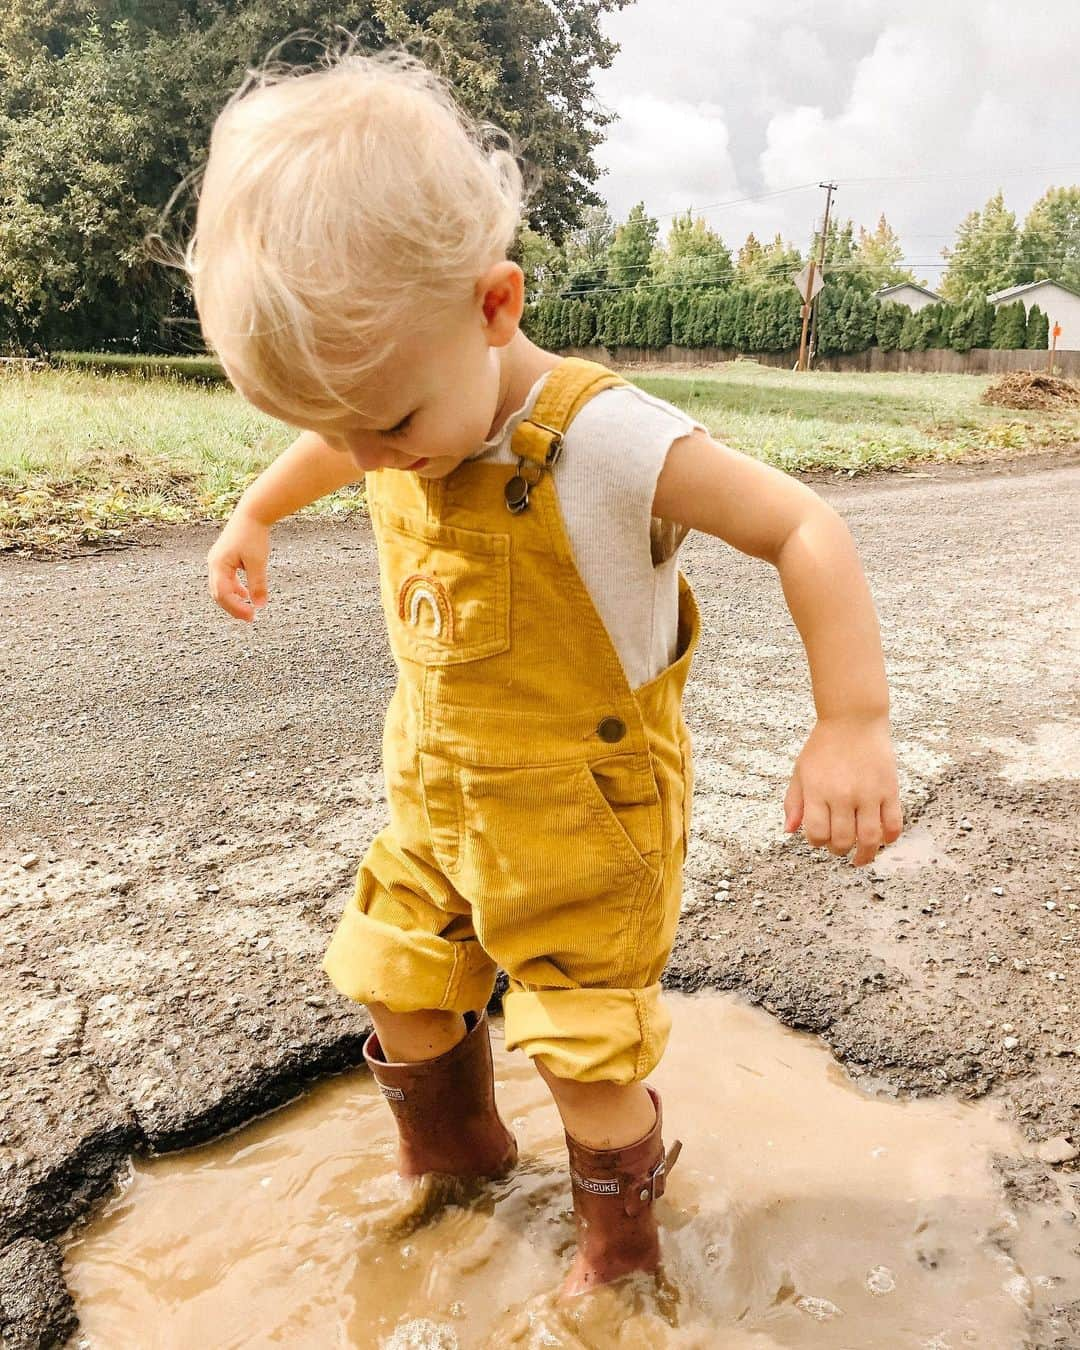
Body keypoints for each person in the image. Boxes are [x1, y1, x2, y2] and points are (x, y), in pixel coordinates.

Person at [189, 39, 903, 1299]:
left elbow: (805, 527)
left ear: (495, 306)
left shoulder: (610, 441)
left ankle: (622, 1255)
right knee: (397, 981)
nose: (369, 457)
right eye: (333, 427)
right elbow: (340, 443)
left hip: (588, 821)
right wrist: (257, 508)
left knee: (584, 1053)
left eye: (391, 424)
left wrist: (851, 721)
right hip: (437, 796)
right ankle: (455, 1166)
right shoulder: (392, 406)